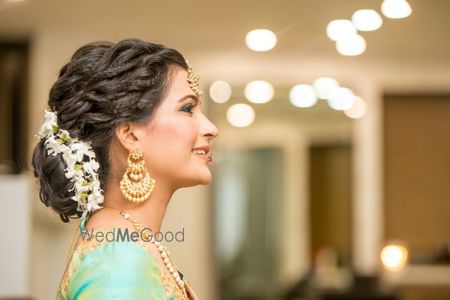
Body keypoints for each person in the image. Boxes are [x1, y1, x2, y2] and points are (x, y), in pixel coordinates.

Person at [31, 38, 219, 299]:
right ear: (130, 135)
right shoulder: (119, 261)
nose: (211, 128)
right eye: (187, 108)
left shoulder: (122, 242)